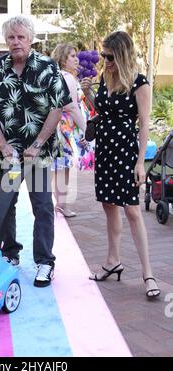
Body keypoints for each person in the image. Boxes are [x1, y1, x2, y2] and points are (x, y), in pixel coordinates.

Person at [0, 16, 72, 287]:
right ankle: (10, 254)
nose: (16, 41)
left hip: (38, 155)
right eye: (11, 37)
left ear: (30, 39)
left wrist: (38, 143)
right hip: (7, 155)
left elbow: (58, 107)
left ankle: (44, 262)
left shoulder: (47, 67)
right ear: (6, 40)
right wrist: (3, 144)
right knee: (5, 206)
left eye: (21, 37)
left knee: (42, 206)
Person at [81, 31, 160, 298]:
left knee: (133, 211)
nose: (105, 60)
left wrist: (140, 162)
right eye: (103, 55)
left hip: (126, 152)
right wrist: (87, 94)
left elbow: (144, 125)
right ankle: (112, 260)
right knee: (109, 206)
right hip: (104, 149)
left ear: (123, 54)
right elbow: (103, 111)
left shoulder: (139, 83)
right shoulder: (105, 77)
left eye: (110, 56)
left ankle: (148, 273)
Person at [51, 43, 94, 217]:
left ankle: (62, 203)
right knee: (62, 166)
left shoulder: (63, 76)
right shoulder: (67, 78)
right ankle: (61, 204)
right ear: (63, 58)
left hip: (64, 127)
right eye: (72, 56)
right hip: (65, 128)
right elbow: (71, 107)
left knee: (64, 166)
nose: (77, 59)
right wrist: (86, 129)